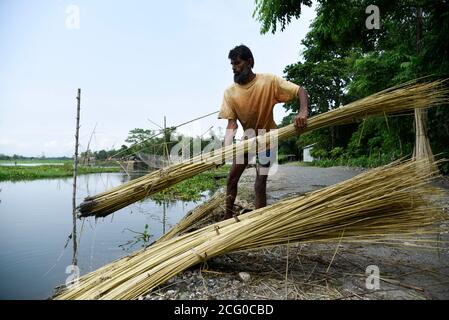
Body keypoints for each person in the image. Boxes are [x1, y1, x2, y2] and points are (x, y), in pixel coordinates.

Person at [218, 44, 309, 220]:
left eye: (237, 63)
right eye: (232, 65)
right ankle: (227, 218)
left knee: (260, 184)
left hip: (268, 139)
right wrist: (226, 148)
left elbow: (300, 91)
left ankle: (259, 221)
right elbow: (232, 125)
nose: (234, 68)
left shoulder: (269, 81)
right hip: (247, 141)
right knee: (231, 179)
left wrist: (303, 111)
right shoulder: (230, 93)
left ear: (250, 62)